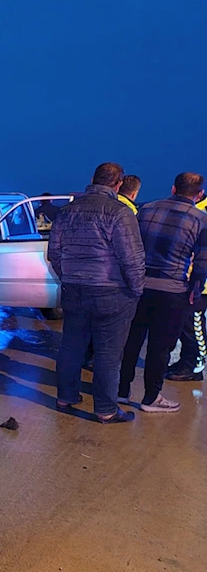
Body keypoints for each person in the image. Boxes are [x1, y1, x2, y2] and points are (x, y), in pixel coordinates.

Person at [49, 163, 145, 423]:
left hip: (75, 290)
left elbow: (54, 254)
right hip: (110, 292)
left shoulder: (66, 211)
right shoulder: (120, 213)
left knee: (71, 346)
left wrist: (68, 277)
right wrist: (136, 291)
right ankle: (105, 409)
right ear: (118, 184)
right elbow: (132, 259)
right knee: (108, 354)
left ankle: (66, 396)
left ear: (92, 179)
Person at [119, 172, 207, 412]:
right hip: (172, 291)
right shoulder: (201, 219)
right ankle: (150, 398)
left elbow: (130, 247)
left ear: (173, 188)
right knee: (160, 346)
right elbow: (201, 263)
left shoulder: (146, 210)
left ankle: (121, 391)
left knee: (131, 340)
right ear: (199, 194)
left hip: (138, 287)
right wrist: (195, 290)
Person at [82, 175, 143, 370]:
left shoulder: (83, 205)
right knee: (110, 341)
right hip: (111, 281)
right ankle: (105, 396)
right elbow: (129, 255)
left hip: (80, 280)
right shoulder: (126, 212)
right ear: (134, 193)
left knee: (80, 334)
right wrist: (136, 288)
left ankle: (70, 388)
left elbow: (56, 251)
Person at [165, 193, 207, 382]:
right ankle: (186, 361)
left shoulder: (201, 212)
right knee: (185, 324)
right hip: (188, 279)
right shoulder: (197, 210)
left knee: (194, 326)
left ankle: (195, 366)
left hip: (199, 283)